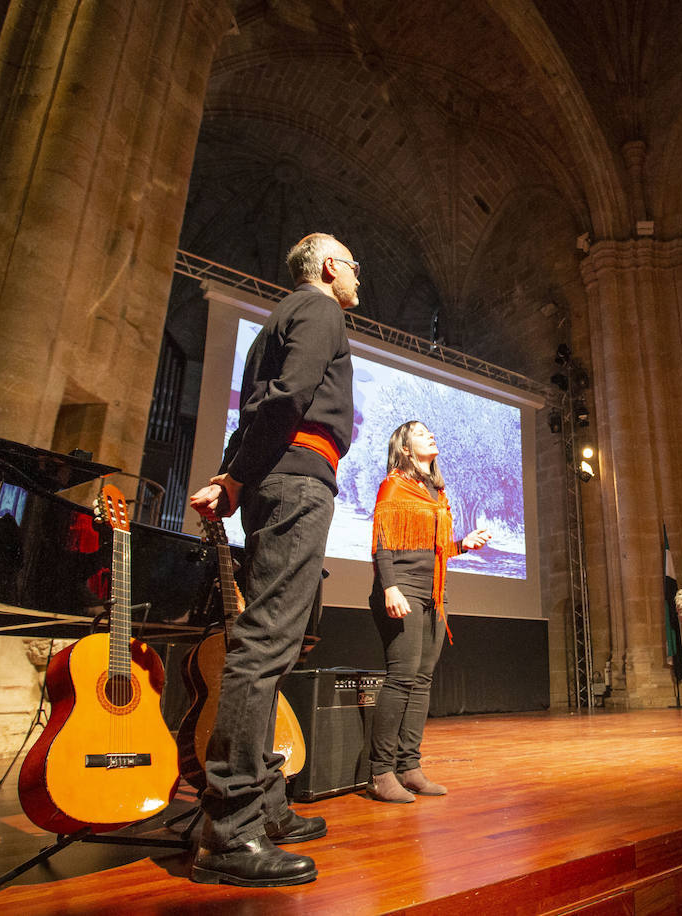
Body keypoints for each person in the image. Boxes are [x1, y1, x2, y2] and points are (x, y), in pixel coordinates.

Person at [186, 232, 360, 887]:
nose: (357, 280)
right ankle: (230, 832)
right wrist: (234, 479)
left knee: (271, 644)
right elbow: (288, 400)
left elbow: (257, 408)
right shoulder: (320, 310)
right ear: (325, 267)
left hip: (273, 478)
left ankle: (267, 806)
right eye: (352, 268)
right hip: (296, 480)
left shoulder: (275, 322)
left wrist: (234, 475)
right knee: (264, 645)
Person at [365, 421, 490, 803]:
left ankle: (410, 767)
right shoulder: (394, 485)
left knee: (422, 681)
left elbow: (428, 549)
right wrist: (389, 587)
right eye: (420, 433)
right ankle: (380, 772)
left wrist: (461, 545)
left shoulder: (436, 492)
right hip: (401, 590)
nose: (430, 435)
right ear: (404, 448)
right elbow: (383, 544)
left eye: (430, 431)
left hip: (434, 594)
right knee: (402, 677)